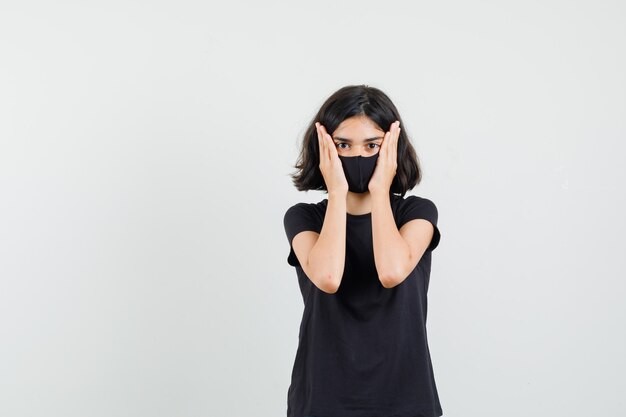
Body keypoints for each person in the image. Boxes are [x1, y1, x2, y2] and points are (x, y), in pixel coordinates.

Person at [283, 84, 443, 417]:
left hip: (406, 399)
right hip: (323, 400)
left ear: (390, 150)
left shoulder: (416, 214)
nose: (357, 156)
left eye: (372, 145)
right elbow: (327, 276)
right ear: (326, 149)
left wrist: (380, 189)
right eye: (343, 145)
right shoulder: (304, 218)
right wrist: (338, 192)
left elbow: (391, 271)